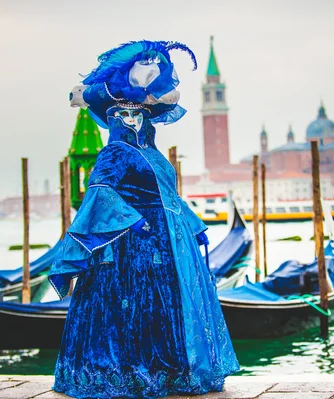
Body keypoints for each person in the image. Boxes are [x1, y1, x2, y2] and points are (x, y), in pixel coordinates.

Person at [48, 40, 239, 399]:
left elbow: (170, 197)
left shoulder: (154, 155)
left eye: (137, 114)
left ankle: (170, 371)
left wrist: (194, 226)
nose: (130, 119)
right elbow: (99, 193)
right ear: (111, 119)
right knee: (133, 309)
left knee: (166, 309)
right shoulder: (114, 152)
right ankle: (125, 373)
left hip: (167, 247)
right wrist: (130, 220)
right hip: (129, 251)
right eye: (122, 115)